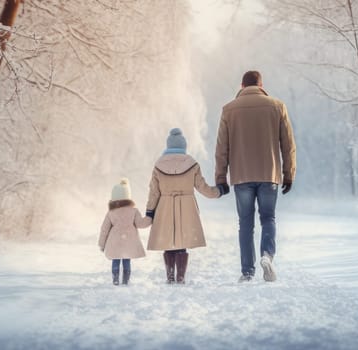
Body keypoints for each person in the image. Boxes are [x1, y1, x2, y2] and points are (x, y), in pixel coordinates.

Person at [215, 70, 296, 283]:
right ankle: (267, 255)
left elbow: (222, 148)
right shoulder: (277, 106)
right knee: (268, 218)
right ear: (261, 85)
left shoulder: (228, 110)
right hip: (269, 174)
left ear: (242, 86)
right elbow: (288, 145)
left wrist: (220, 178)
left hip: (241, 176)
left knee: (245, 224)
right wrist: (289, 174)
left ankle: (247, 271)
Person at [145, 128, 227, 284]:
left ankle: (170, 276)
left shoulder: (158, 165)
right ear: (184, 146)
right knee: (182, 243)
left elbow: (153, 193)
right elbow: (204, 189)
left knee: (168, 242)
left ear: (168, 146)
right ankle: (180, 277)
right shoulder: (192, 163)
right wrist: (219, 191)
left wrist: (150, 211)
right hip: (187, 207)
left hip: (165, 206)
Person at [98, 178, 150, 286]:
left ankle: (115, 280)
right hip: (129, 241)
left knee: (115, 260)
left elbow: (104, 229)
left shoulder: (111, 212)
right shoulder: (134, 211)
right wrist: (150, 218)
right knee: (126, 261)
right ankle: (126, 281)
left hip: (115, 242)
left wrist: (102, 244)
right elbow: (141, 224)